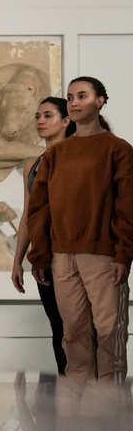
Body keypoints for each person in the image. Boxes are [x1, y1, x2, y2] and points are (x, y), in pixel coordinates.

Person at [27, 77, 133, 384]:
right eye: (71, 97)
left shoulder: (119, 150)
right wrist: (40, 256)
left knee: (108, 332)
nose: (74, 102)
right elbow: (39, 209)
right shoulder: (56, 154)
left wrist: (124, 254)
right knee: (72, 334)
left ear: (99, 101)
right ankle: (76, 421)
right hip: (61, 256)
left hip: (103, 256)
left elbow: (127, 207)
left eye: (82, 96)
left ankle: (109, 415)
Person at [10, 98, 74, 375]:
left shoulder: (78, 156)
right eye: (37, 116)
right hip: (43, 256)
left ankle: (92, 400)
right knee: (58, 326)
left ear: (66, 121)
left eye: (48, 115)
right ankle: (66, 393)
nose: (40, 121)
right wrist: (17, 261)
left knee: (81, 327)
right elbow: (28, 215)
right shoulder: (32, 165)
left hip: (74, 254)